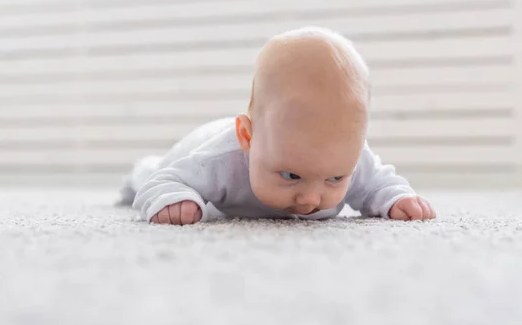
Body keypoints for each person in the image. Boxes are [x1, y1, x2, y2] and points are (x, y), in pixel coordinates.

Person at [120, 27, 436, 225]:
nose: (312, 199)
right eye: (291, 175)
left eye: (335, 178)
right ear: (248, 136)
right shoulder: (220, 159)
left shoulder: (346, 155)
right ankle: (140, 166)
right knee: (152, 172)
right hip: (198, 143)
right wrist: (175, 199)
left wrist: (398, 199)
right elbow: (165, 181)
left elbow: (378, 183)